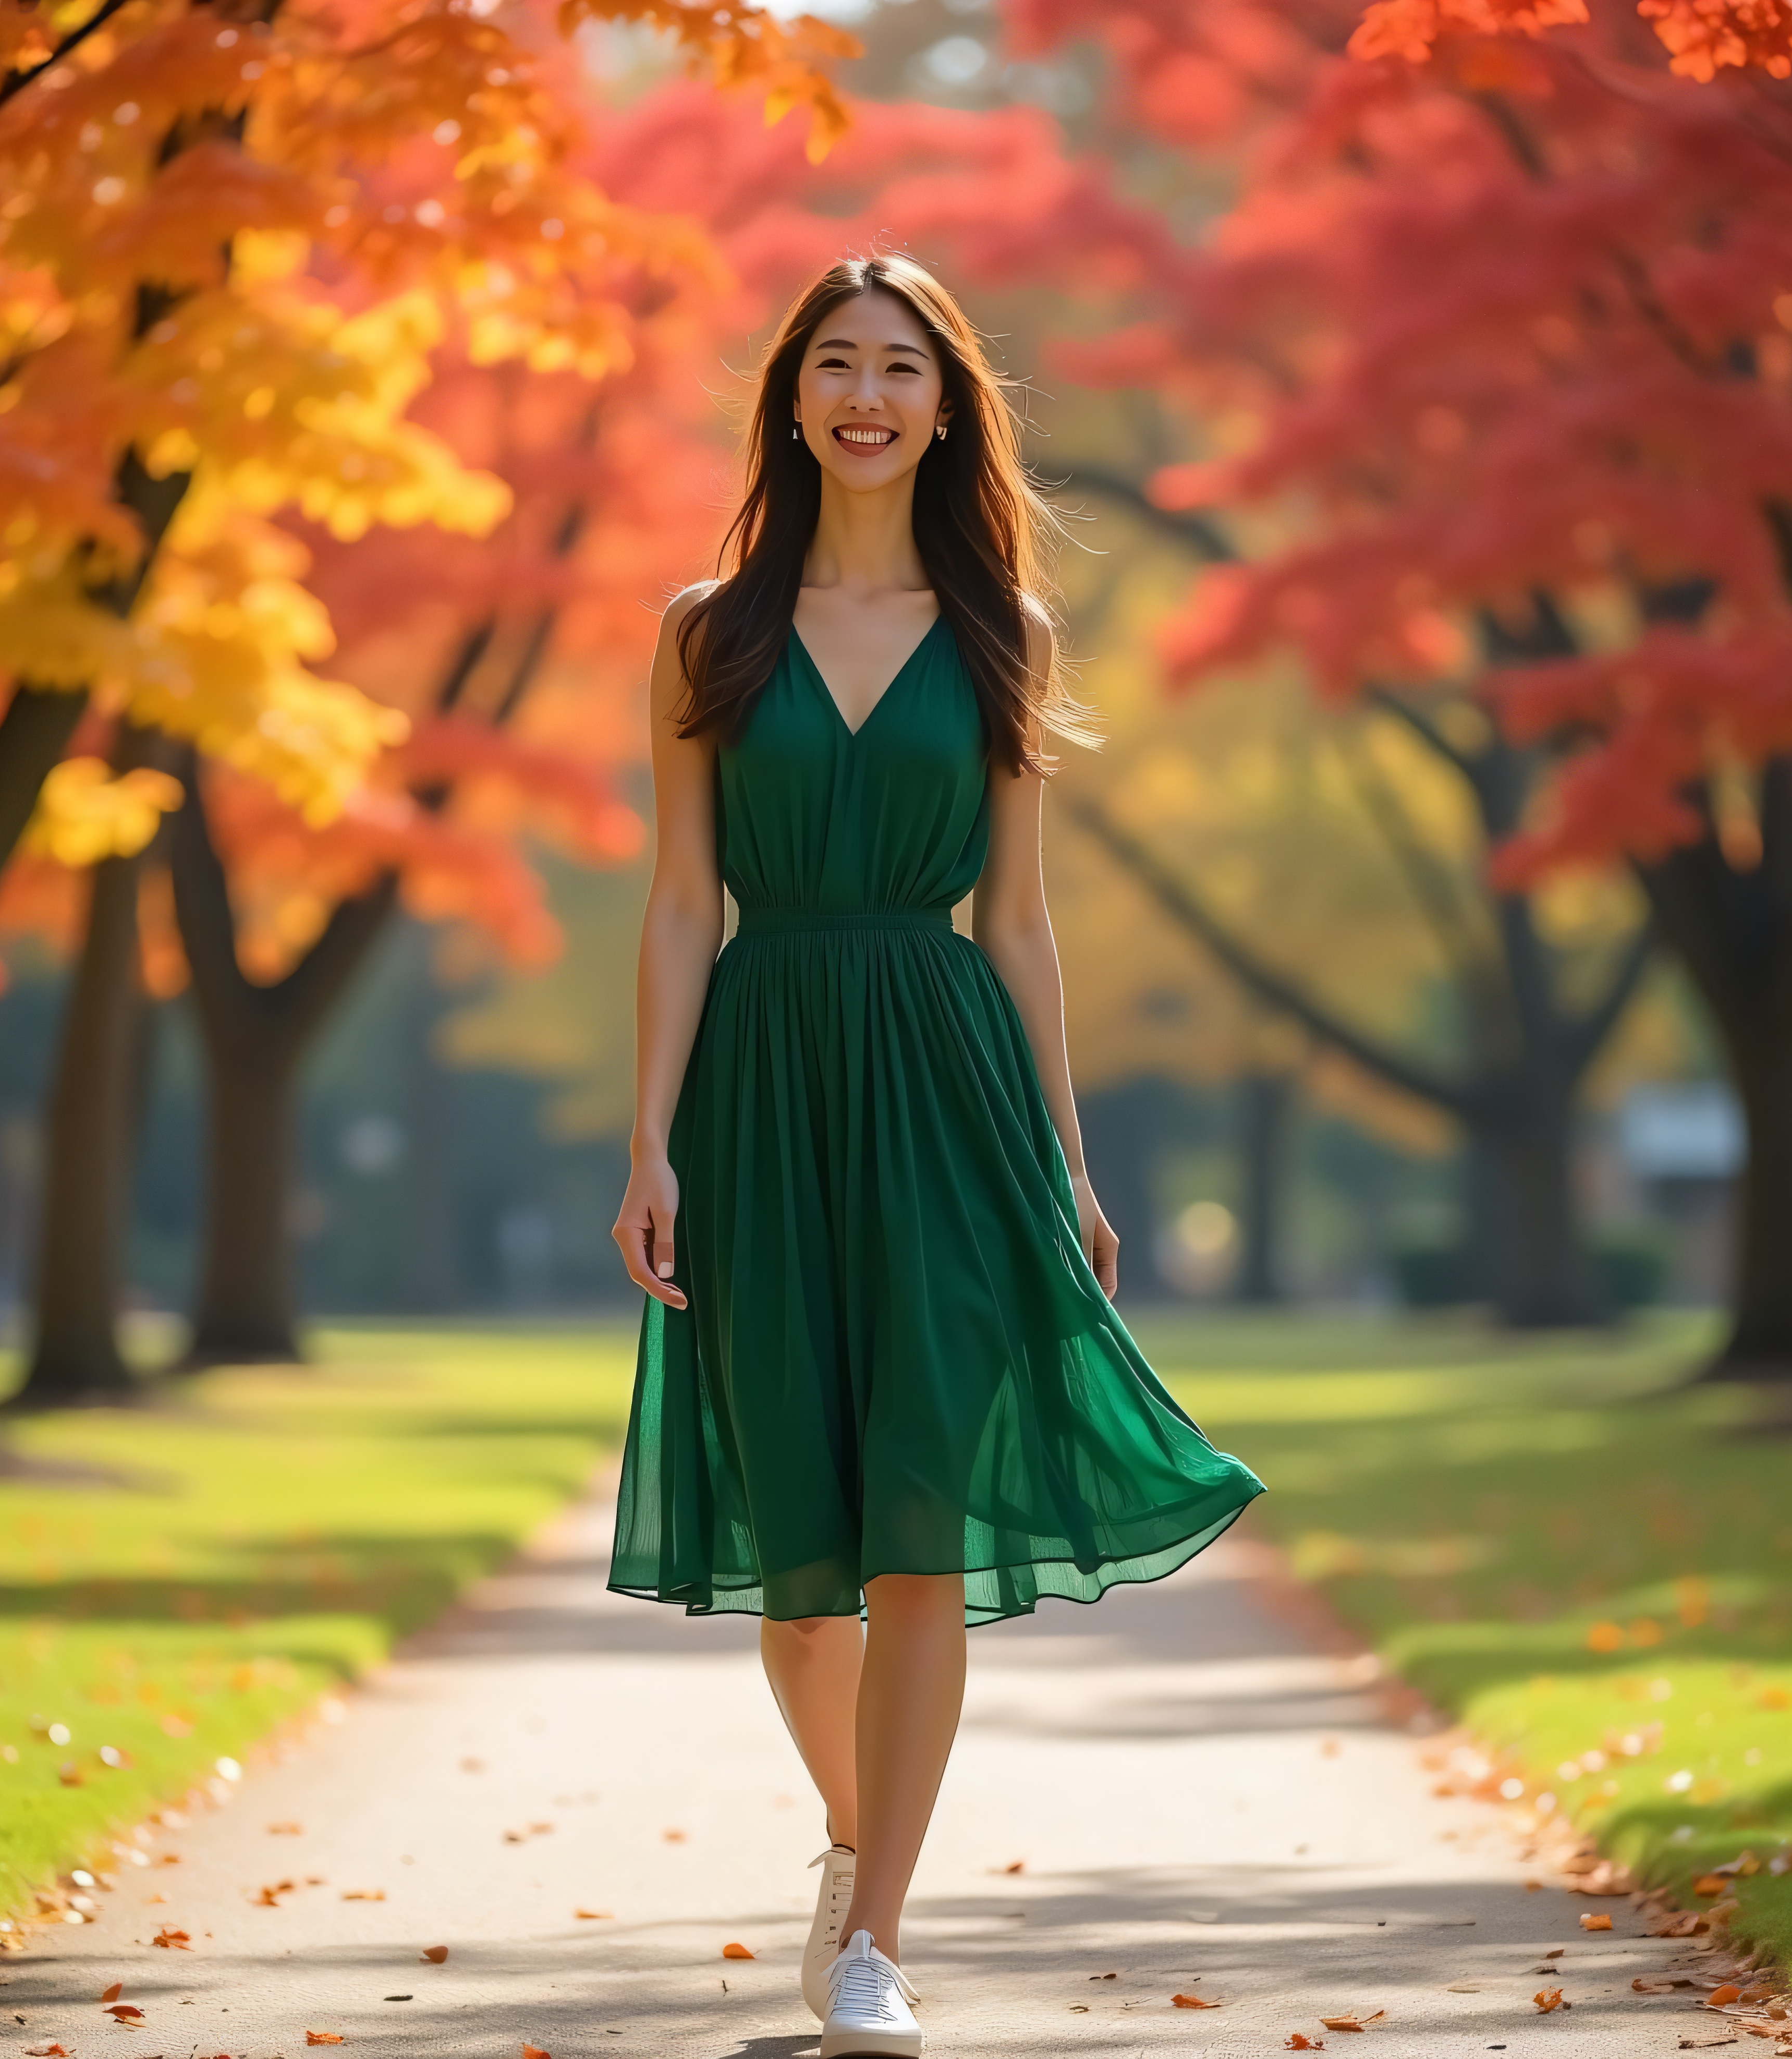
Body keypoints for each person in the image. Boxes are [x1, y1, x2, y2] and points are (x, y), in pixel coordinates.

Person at [608, 248, 1264, 2059]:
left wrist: (1066, 1161)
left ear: (946, 402)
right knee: (802, 1564)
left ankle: (878, 1934)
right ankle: (852, 1840)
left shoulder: (1006, 638)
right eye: (837, 361)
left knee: (916, 1529)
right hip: (761, 1086)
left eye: (902, 365)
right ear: (793, 395)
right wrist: (646, 1136)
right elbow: (678, 901)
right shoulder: (702, 630)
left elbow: (1023, 925)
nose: (868, 393)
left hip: (949, 1092)